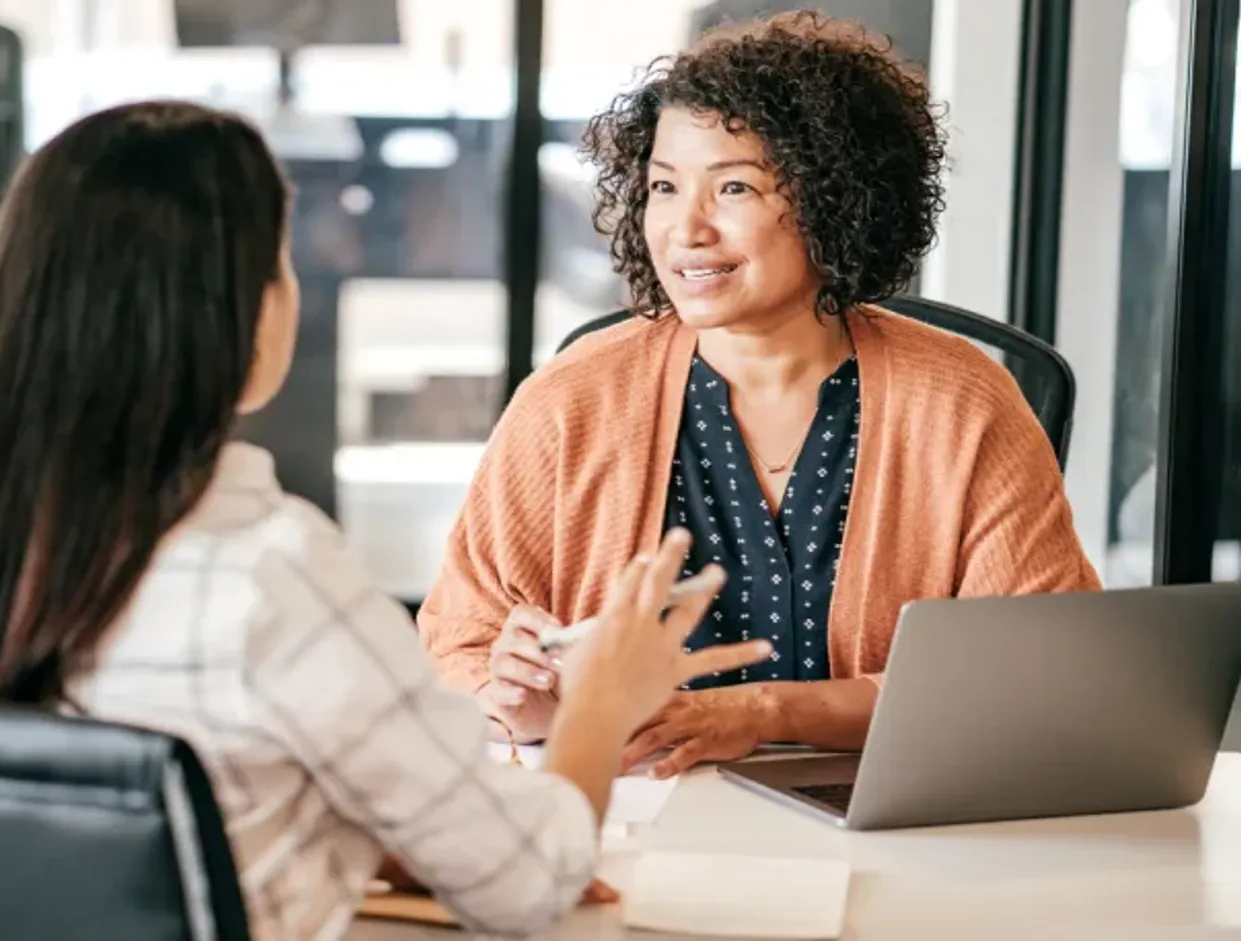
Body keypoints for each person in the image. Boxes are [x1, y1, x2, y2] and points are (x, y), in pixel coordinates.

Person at [0, 101, 770, 941]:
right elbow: (527, 883)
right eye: (281, 260)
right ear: (234, 316)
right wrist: (602, 702)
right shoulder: (268, 574)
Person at [418, 11, 1100, 779]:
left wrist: (767, 711)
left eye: (733, 186)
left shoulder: (961, 401)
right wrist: (520, 697)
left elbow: (1029, 675)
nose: (686, 229)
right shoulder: (571, 399)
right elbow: (459, 644)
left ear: (833, 197)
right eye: (664, 188)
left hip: (883, 817)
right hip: (632, 811)